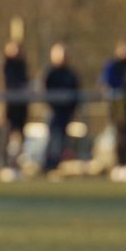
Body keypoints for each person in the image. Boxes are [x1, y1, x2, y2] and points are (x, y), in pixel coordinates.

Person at [98, 40, 126, 171]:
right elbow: (107, 81)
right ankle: (121, 163)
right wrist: (125, 83)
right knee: (120, 134)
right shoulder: (112, 65)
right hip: (118, 106)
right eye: (124, 49)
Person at [43, 42, 81, 173]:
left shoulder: (70, 74)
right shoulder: (50, 73)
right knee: (54, 138)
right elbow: (45, 91)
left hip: (66, 112)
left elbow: (76, 91)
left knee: (62, 139)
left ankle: (57, 164)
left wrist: (72, 108)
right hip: (54, 112)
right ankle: (49, 165)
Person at [0, 40, 29, 169]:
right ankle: (3, 161)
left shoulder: (22, 65)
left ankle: (20, 160)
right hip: (9, 107)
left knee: (20, 134)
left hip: (21, 107)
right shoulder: (5, 65)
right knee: (6, 133)